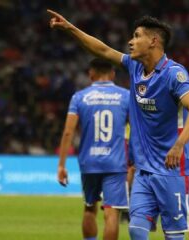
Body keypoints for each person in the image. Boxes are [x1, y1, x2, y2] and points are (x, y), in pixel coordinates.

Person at [48, 10, 189, 240]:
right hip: (143, 171)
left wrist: (179, 145)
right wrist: (70, 28)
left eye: (137, 35)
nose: (131, 41)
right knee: (135, 229)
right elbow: (102, 50)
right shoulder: (134, 66)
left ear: (153, 41)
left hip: (173, 170)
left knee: (173, 235)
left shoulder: (174, 74)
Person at [57, 58, 130, 240]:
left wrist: (61, 165)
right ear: (112, 74)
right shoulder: (126, 96)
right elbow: (136, 130)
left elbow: (68, 132)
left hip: (89, 161)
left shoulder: (79, 97)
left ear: (91, 74)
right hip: (115, 162)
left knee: (90, 207)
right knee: (112, 212)